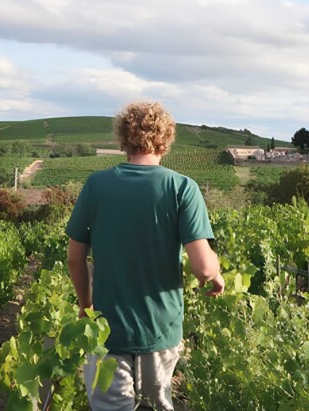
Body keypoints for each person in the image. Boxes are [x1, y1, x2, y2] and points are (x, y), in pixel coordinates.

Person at [66, 101, 225, 410]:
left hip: (105, 331)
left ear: (124, 139)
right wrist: (215, 274)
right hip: (160, 331)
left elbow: (75, 258)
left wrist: (86, 307)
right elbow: (203, 268)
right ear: (165, 139)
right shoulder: (183, 188)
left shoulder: (96, 185)